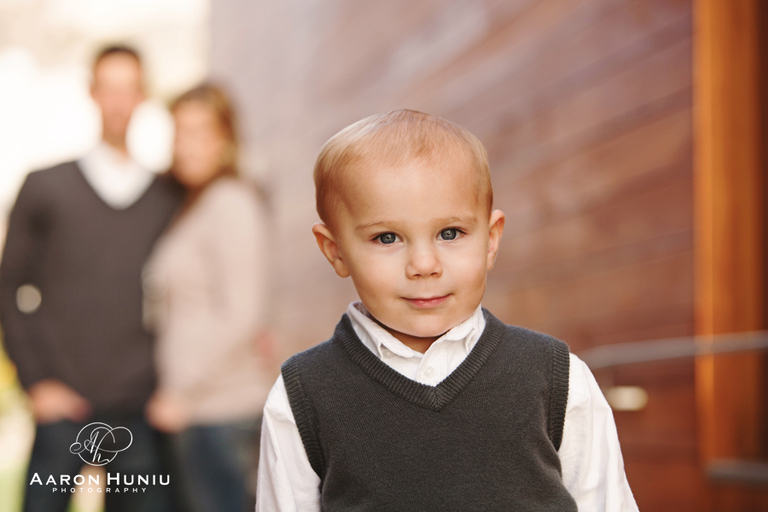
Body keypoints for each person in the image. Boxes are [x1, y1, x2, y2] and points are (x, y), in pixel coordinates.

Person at [256, 109, 639, 511]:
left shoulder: (557, 378)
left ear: (490, 240)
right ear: (335, 251)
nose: (424, 265)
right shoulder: (301, 398)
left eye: (450, 233)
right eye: (387, 238)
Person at [0, 46, 183, 511]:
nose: (118, 101)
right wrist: (36, 380)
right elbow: (8, 285)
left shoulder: (167, 195)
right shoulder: (45, 185)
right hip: (61, 401)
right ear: (92, 93)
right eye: (109, 88)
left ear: (143, 96)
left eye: (129, 89)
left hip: (139, 406)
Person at [143, 84, 272, 512]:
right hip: (200, 411)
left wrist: (179, 390)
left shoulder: (230, 201)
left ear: (226, 138)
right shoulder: (194, 206)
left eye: (200, 132)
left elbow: (242, 312)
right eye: (179, 132)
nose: (186, 146)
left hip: (220, 410)